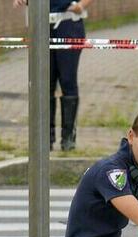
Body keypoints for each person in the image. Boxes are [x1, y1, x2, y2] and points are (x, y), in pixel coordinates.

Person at [13, 0, 95, 151]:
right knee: (45, 82)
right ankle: (45, 138)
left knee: (67, 79)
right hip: (42, 23)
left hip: (68, 23)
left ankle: (68, 138)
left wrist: (81, 5)